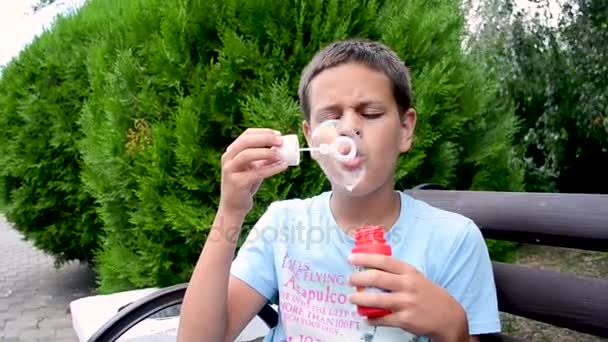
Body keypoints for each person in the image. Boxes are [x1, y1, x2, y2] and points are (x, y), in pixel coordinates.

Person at [177, 38, 501, 342]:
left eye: (370, 113)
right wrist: (230, 211)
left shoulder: (453, 240)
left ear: (405, 129)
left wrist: (453, 326)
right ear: (310, 140)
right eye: (331, 116)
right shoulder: (284, 224)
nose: (348, 127)